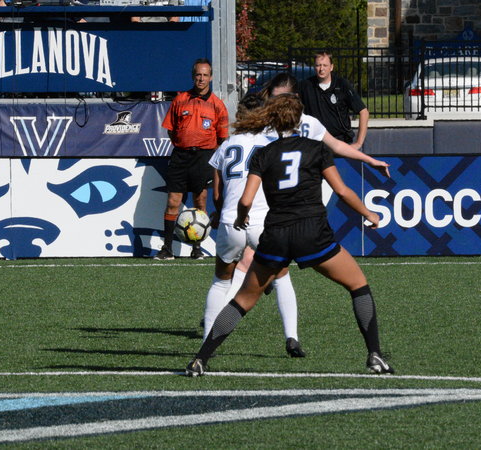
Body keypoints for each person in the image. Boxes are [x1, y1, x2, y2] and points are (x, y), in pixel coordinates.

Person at [185, 94, 394, 376]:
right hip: (312, 232)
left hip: (276, 234)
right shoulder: (316, 149)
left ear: (272, 119)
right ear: (299, 119)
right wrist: (369, 214)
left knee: (242, 300)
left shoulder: (263, 153)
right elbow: (342, 191)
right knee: (358, 285)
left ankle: (201, 358)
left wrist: (241, 217)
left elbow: (245, 199)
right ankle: (374, 355)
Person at [205, 93, 306, 357]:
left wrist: (220, 214)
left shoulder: (226, 145)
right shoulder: (271, 144)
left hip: (231, 220)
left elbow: (217, 194)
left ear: (239, 116)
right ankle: (292, 337)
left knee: (220, 282)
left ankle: (207, 344)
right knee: (282, 276)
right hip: (263, 221)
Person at [156, 58, 229, 260]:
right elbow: (171, 130)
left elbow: (222, 138)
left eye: (205, 75)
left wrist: (206, 152)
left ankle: (197, 249)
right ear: (193, 76)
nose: (201, 79)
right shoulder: (180, 100)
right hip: (181, 156)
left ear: (211, 77)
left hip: (203, 157)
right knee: (173, 201)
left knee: (200, 201)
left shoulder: (218, 105)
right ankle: (167, 248)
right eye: (198, 75)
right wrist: (184, 144)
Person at [298, 51, 369, 150]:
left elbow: (364, 112)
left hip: (341, 142)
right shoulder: (305, 86)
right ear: (314, 67)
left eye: (325, 65)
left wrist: (358, 143)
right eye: (318, 65)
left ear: (331, 67)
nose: (321, 69)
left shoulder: (342, 85)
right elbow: (292, 110)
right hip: (314, 144)